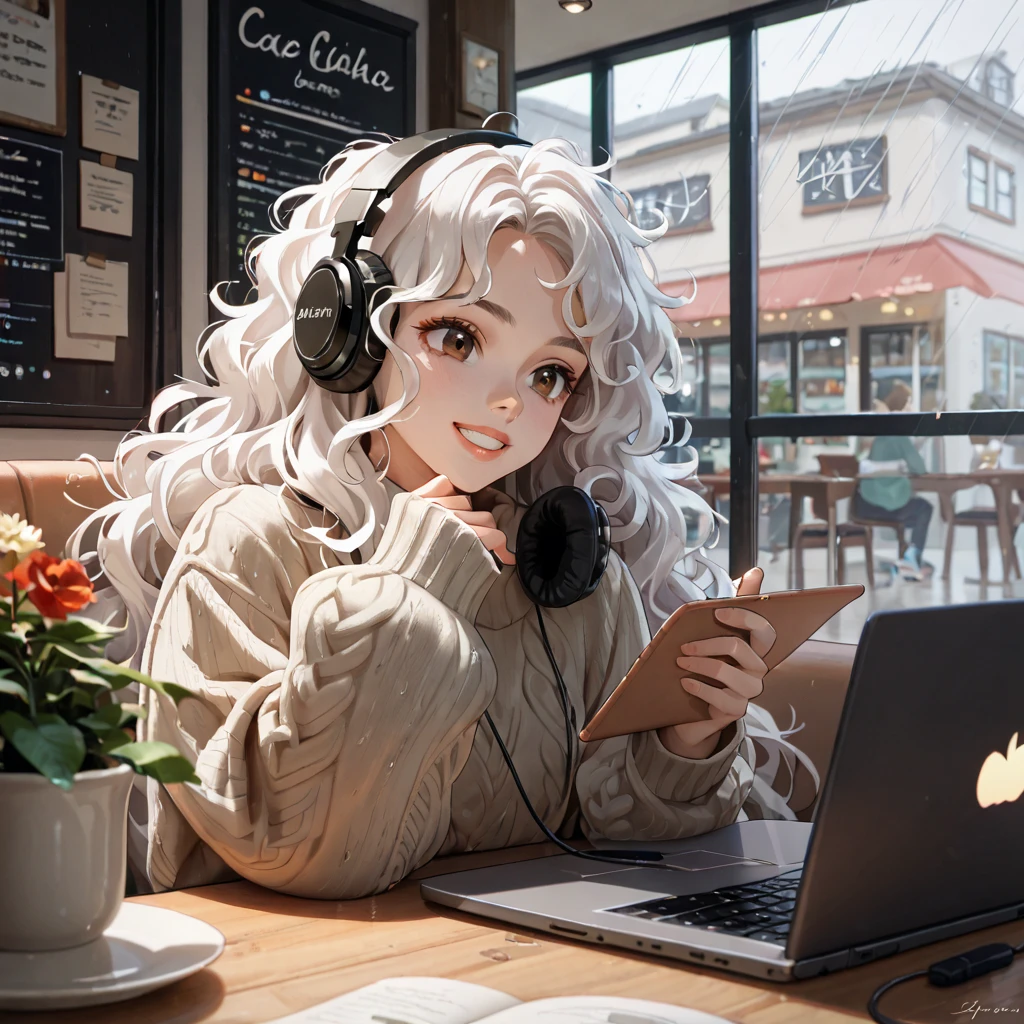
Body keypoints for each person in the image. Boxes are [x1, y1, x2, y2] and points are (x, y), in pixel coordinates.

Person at [73, 133, 811, 898]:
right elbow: (310, 853)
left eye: (551, 373)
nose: (509, 399)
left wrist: (685, 738)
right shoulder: (249, 542)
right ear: (348, 333)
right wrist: (411, 583)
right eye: (458, 336)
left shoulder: (571, 571)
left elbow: (624, 846)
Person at [856, 381, 933, 580]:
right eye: (909, 403)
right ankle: (911, 558)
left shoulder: (873, 430)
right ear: (901, 405)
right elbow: (920, 469)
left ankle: (908, 556)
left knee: (915, 507)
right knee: (924, 508)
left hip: (861, 503)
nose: (912, 408)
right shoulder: (898, 433)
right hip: (886, 506)